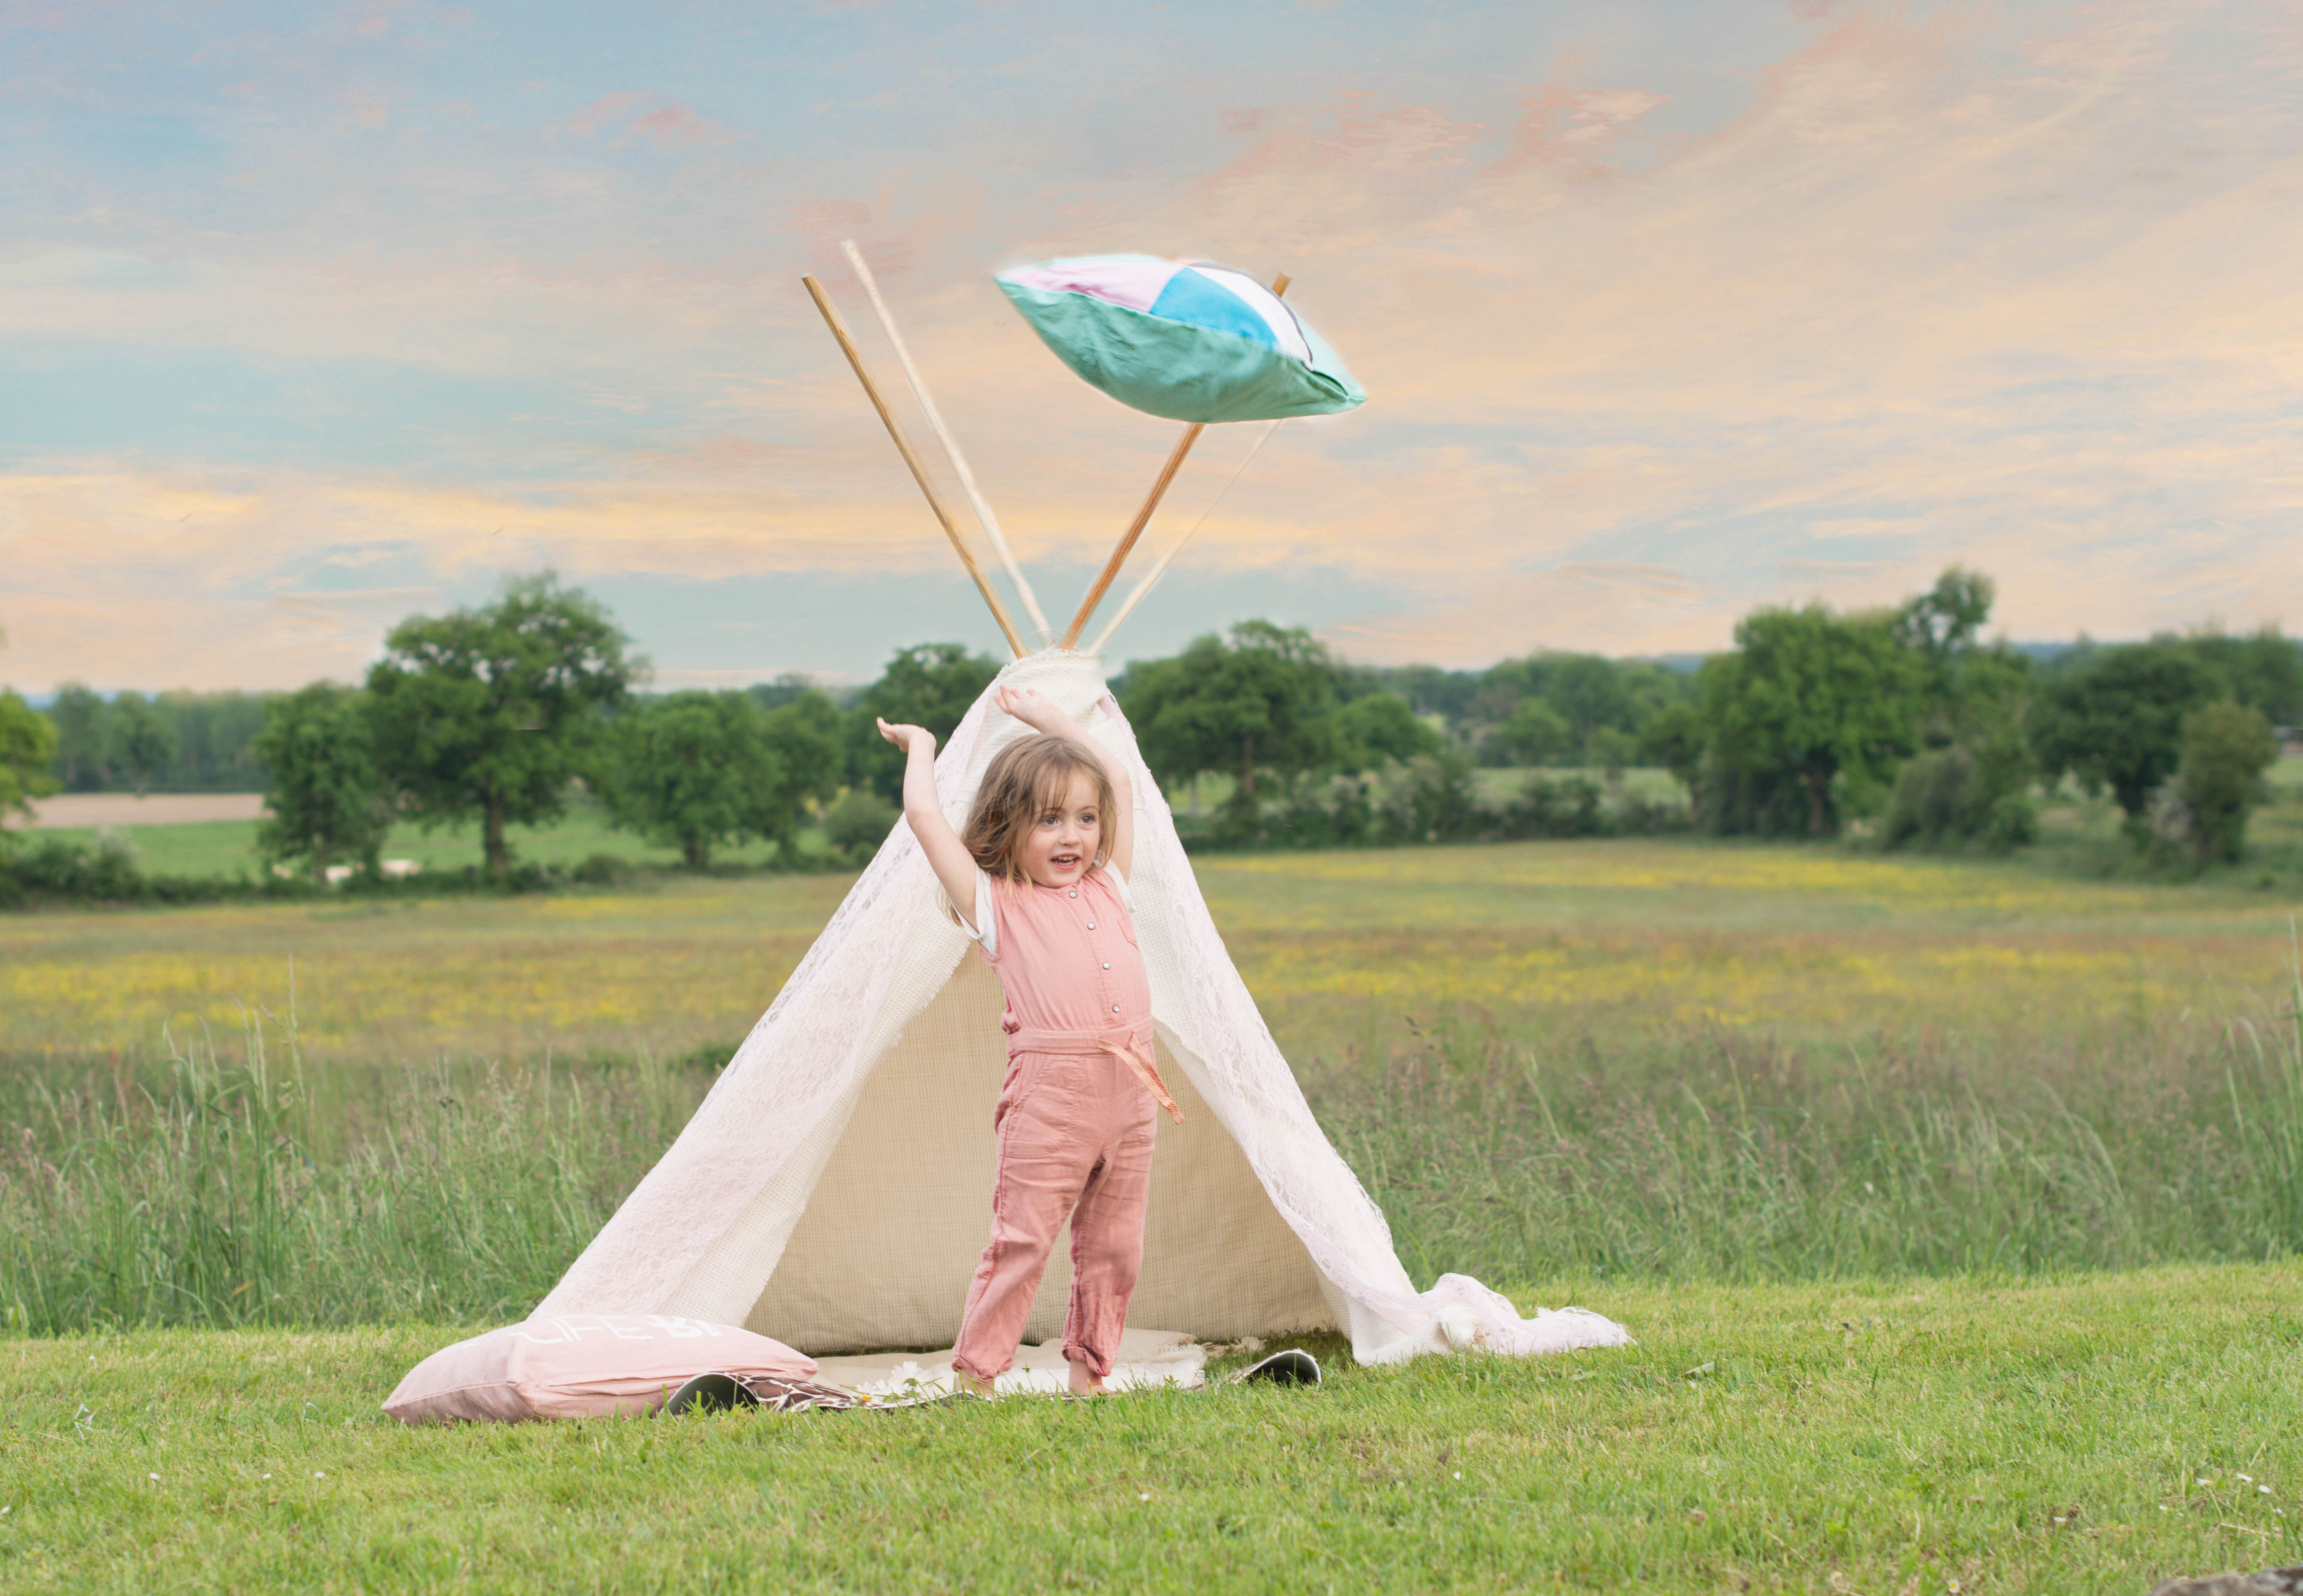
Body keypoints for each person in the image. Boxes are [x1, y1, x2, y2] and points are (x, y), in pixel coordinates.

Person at [878, 684, 1183, 1397]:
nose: (1073, 836)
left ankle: (1090, 1374)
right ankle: (978, 1379)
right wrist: (922, 746)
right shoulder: (994, 903)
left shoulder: (1112, 884)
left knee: (1116, 1245)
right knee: (1022, 1242)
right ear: (1009, 826)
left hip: (1132, 1090)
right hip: (1053, 1098)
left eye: (1083, 819)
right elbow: (924, 817)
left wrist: (1048, 718)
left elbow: (1118, 779)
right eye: (1049, 821)